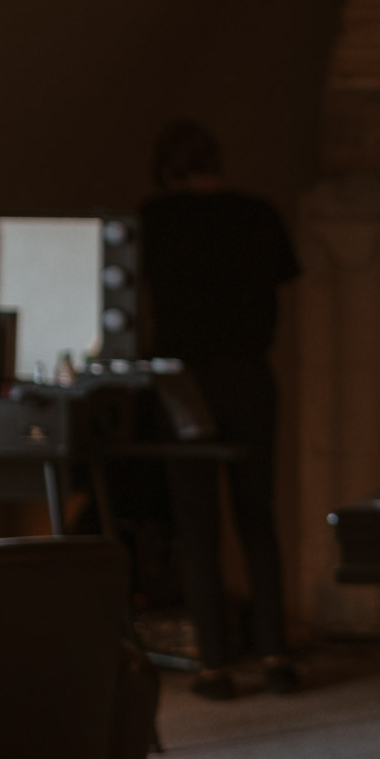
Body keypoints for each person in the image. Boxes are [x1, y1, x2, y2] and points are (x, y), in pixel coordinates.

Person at [140, 120, 303, 700]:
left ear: (164, 170)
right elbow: (283, 279)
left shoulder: (153, 221)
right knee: (258, 519)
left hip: (182, 380)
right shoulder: (258, 214)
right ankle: (276, 655)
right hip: (249, 375)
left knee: (196, 527)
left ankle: (214, 665)